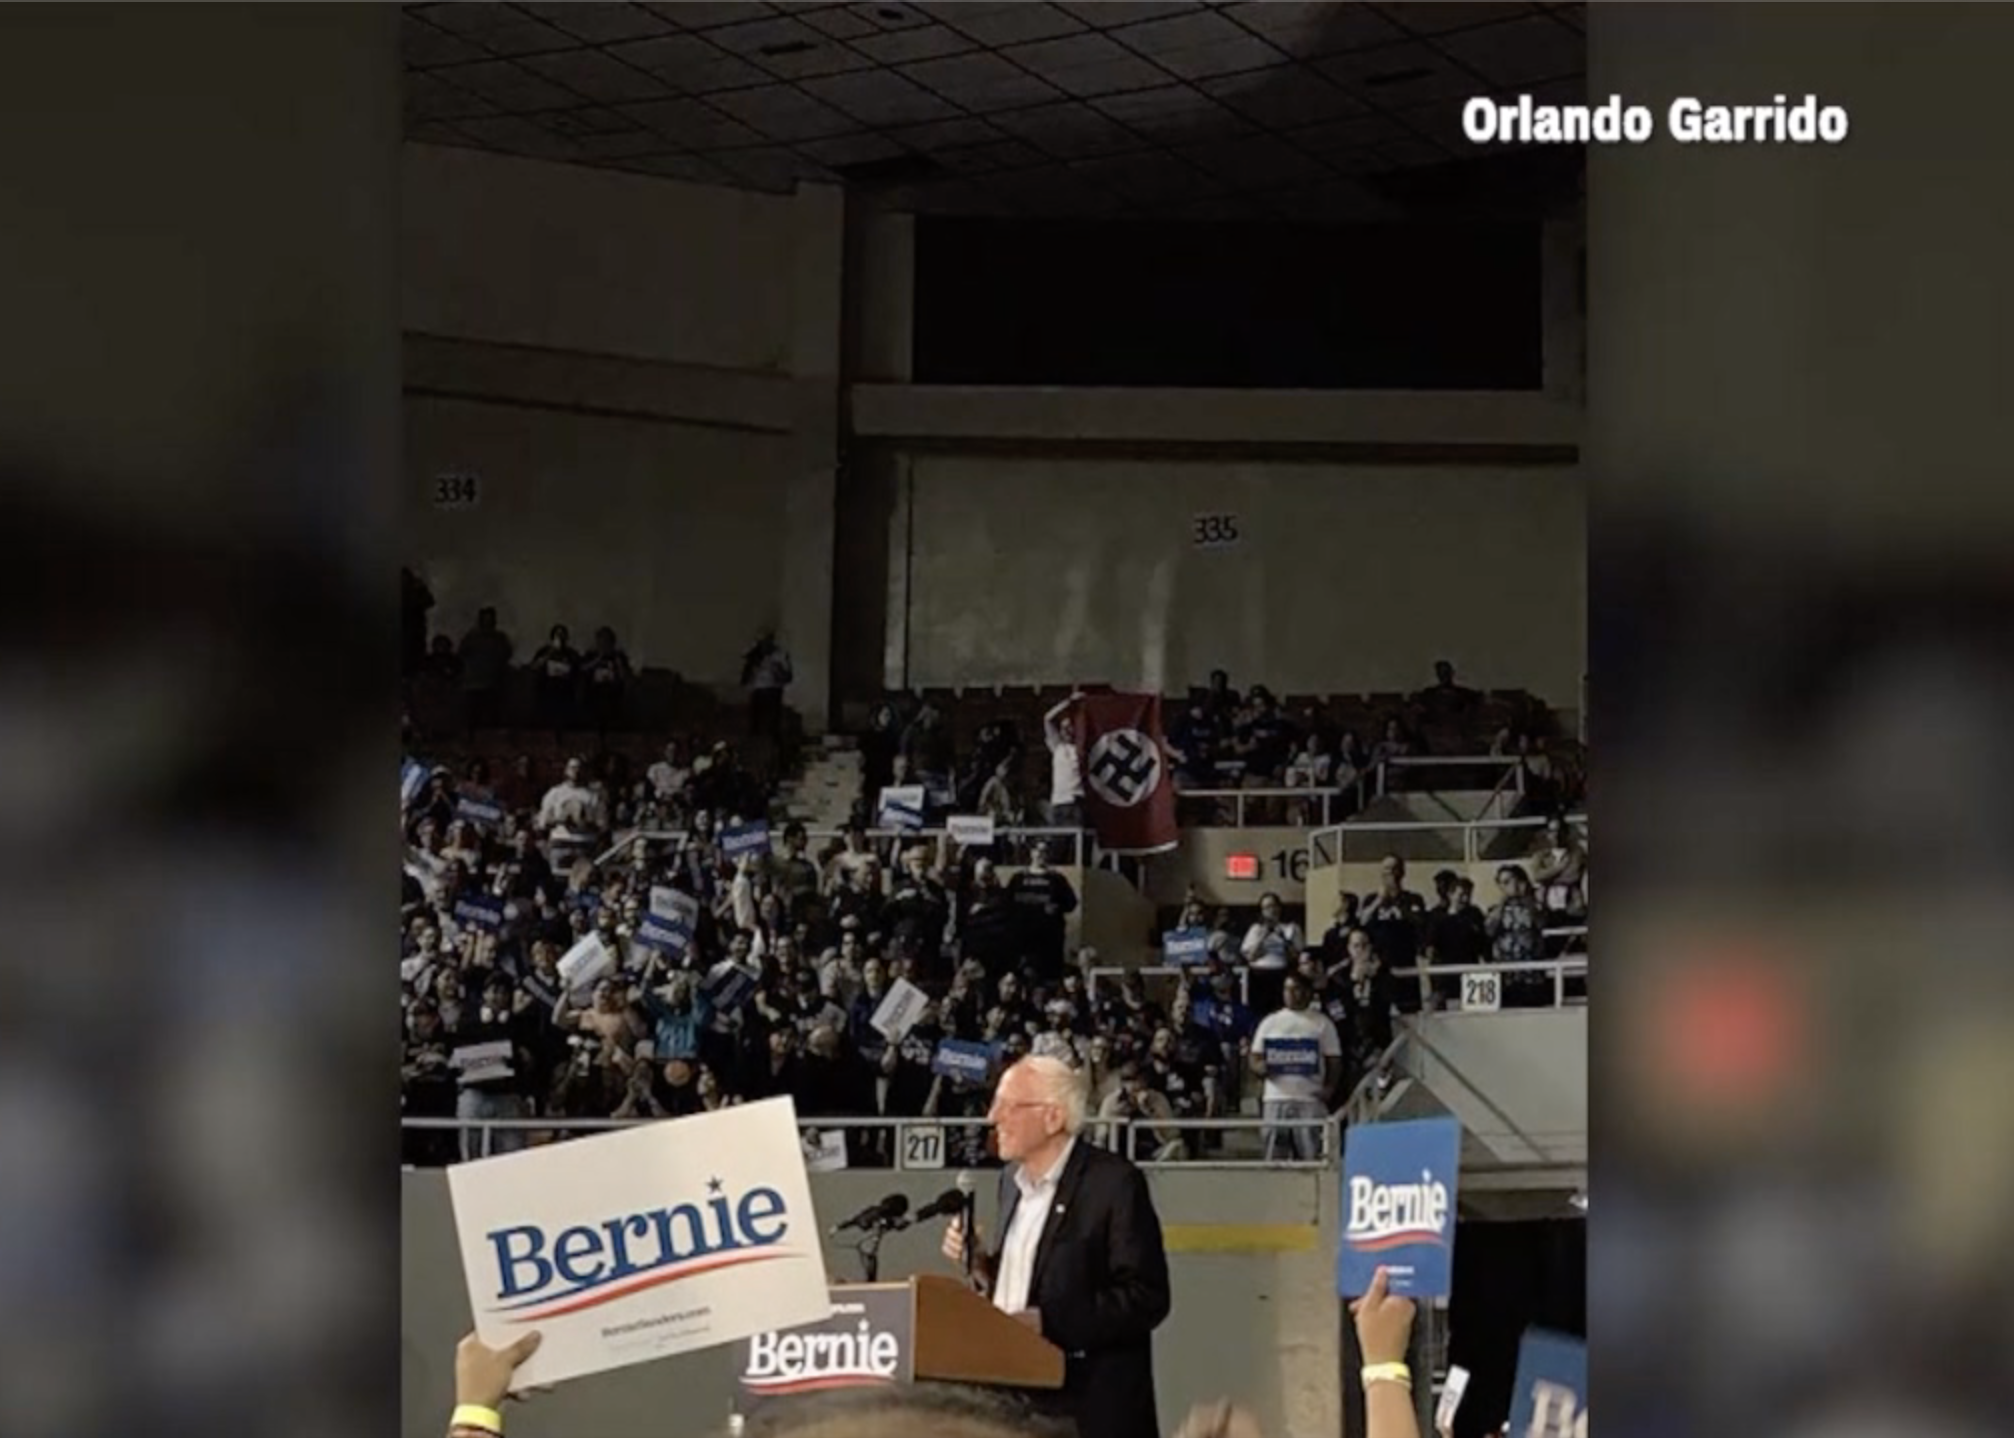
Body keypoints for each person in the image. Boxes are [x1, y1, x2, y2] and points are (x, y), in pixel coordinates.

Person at [939, 1055, 1170, 1438]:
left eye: (1008, 1105)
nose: (993, 1117)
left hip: (1085, 1413)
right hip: (1013, 1405)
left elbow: (1146, 1297)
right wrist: (982, 1266)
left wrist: (1050, 1322)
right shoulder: (1009, 1183)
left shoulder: (1113, 1183)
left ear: (1053, 1117)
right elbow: (1029, 1284)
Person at [1248, 974, 1341, 1160]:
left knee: (1311, 1155)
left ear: (1307, 992)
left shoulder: (1322, 1023)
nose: (1290, 994)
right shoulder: (1270, 1022)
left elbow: (1334, 1060)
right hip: (1276, 1097)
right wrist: (1260, 1067)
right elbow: (1255, 1056)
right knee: (1274, 1156)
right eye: (1287, 989)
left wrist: (1329, 1088)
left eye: (1295, 989)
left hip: (1309, 1098)